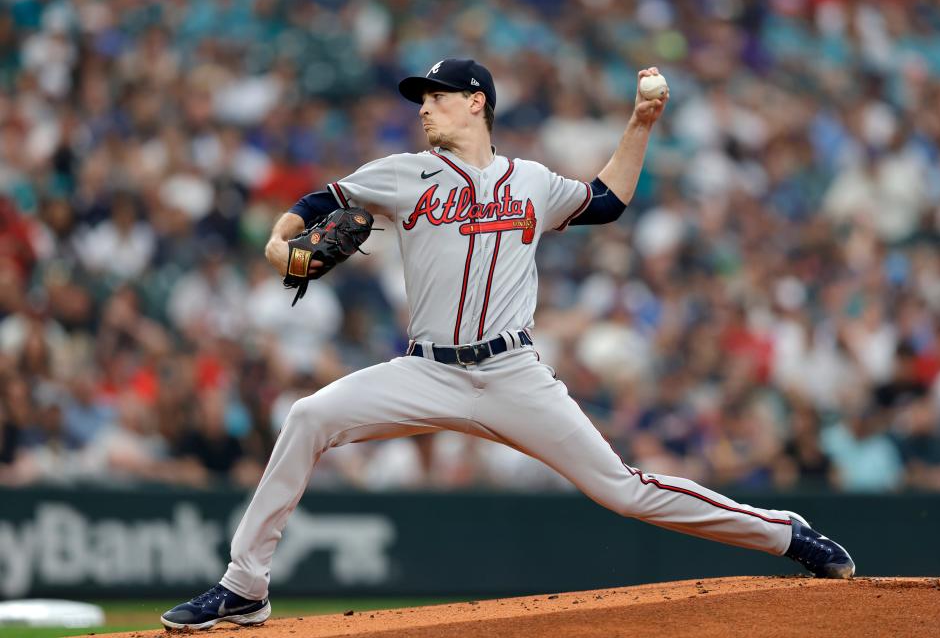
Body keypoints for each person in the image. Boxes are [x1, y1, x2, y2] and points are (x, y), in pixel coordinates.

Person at [161, 59, 854, 631]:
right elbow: (319, 202)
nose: (424, 108)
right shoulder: (405, 172)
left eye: (435, 97)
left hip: (513, 373)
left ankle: (784, 533)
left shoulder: (532, 182)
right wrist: (279, 243)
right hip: (425, 370)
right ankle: (245, 586)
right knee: (308, 416)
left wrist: (640, 125)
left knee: (624, 491)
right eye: (420, 99)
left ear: (475, 102)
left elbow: (607, 200)